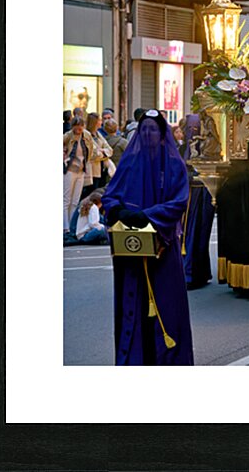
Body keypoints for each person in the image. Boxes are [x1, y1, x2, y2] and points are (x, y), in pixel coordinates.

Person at [102, 110, 193, 366]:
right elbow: (111, 195)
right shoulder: (130, 162)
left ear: (162, 132)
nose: (148, 134)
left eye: (153, 129)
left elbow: (179, 201)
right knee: (135, 307)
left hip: (162, 248)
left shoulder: (174, 164)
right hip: (130, 251)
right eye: (144, 130)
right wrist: (119, 211)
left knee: (166, 306)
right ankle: (134, 359)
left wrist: (148, 216)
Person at [180, 114, 216, 290]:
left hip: (203, 194)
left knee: (199, 234)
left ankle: (197, 273)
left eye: (195, 129)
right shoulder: (180, 149)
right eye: (189, 130)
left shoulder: (209, 145)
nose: (192, 133)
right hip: (187, 196)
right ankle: (189, 272)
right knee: (188, 235)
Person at [63, 116, 95, 237]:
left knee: (75, 200)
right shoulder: (68, 136)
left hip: (81, 171)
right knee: (66, 199)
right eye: (76, 128)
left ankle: (71, 226)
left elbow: (91, 149)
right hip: (69, 170)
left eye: (81, 127)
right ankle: (65, 227)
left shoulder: (86, 135)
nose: (79, 130)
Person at [84, 112, 113, 194]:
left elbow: (110, 150)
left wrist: (102, 151)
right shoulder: (86, 135)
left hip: (102, 169)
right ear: (95, 122)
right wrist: (103, 152)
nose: (102, 122)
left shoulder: (98, 134)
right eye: (100, 120)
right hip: (92, 171)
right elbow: (93, 154)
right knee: (91, 193)